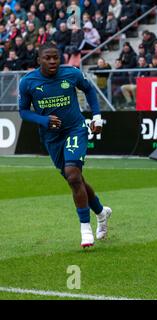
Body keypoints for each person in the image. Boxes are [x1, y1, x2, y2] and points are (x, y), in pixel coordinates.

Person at [18, 42, 112, 248]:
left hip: (75, 129)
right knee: (76, 180)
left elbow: (89, 90)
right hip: (51, 138)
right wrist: (44, 121)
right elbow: (23, 111)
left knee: (72, 174)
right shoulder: (27, 82)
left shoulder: (72, 73)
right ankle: (101, 213)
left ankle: (85, 229)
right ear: (39, 60)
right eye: (48, 58)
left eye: (56, 57)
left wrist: (96, 116)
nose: (52, 61)